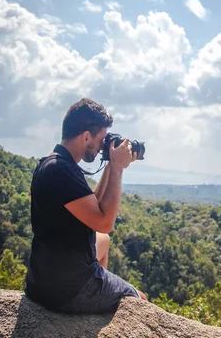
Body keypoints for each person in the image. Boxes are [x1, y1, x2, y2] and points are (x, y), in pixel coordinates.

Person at [24, 98, 146, 314]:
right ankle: (94, 294)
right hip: (69, 289)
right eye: (101, 140)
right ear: (86, 136)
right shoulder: (62, 172)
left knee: (104, 242)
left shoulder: (54, 163)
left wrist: (110, 162)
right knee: (141, 300)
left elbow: (94, 205)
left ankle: (97, 295)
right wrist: (117, 167)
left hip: (41, 279)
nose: (101, 146)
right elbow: (104, 222)